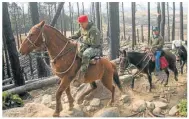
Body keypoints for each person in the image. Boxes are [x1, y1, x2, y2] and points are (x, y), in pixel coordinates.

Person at [68, 15, 102, 81]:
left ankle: (82, 74)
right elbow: (77, 35)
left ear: (86, 22)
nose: (81, 25)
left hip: (95, 48)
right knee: (77, 53)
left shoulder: (93, 30)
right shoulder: (82, 28)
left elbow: (95, 43)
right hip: (86, 46)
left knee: (85, 54)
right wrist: (70, 37)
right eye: (80, 24)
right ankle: (88, 62)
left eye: (82, 24)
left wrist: (83, 40)